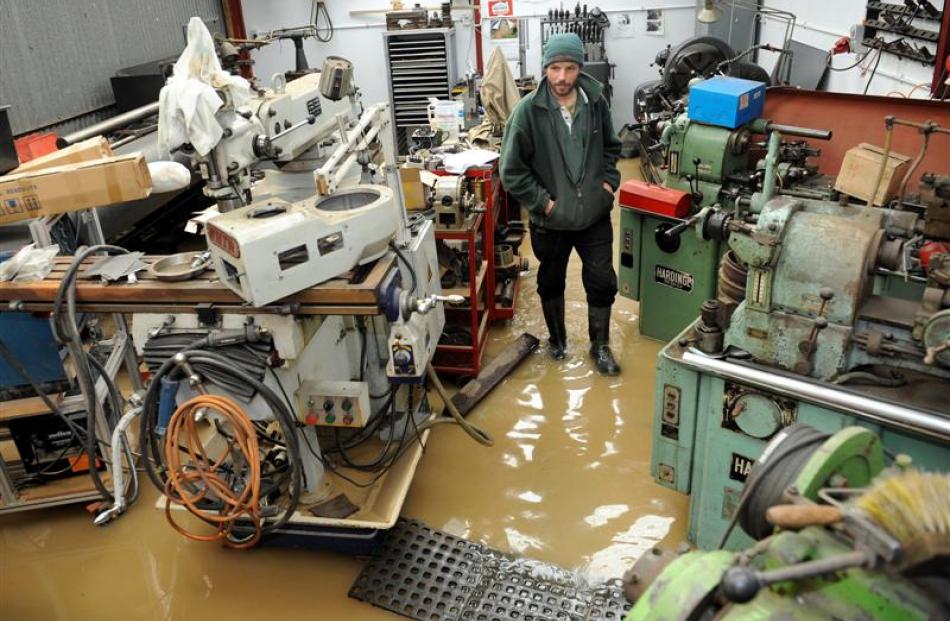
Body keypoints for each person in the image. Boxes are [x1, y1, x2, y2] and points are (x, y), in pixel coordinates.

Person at [499, 33, 622, 375]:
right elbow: (511, 170)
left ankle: (600, 347)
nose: (562, 77)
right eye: (555, 68)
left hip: (594, 216)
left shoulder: (596, 102)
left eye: (569, 68)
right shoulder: (527, 111)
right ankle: (558, 342)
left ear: (579, 68)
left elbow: (613, 149)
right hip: (549, 222)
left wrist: (608, 185)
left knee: (601, 281)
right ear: (545, 69)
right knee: (551, 283)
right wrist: (544, 204)